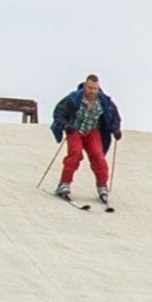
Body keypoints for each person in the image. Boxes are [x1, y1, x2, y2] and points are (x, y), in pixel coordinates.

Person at [50, 74, 121, 207]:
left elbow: (114, 116)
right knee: (75, 153)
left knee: (98, 156)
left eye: (95, 88)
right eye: (90, 88)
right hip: (75, 129)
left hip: (93, 131)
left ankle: (102, 187)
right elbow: (58, 113)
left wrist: (115, 129)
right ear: (85, 86)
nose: (92, 91)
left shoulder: (105, 101)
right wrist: (65, 125)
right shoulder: (73, 98)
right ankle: (64, 184)